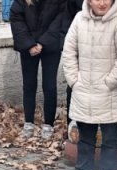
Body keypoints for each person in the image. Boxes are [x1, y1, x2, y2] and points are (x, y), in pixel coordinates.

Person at [63, 0, 117, 170]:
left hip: (110, 93)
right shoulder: (79, 19)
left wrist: (109, 82)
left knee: (110, 139)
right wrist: (74, 80)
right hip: (84, 91)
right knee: (86, 138)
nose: (102, 3)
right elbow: (69, 51)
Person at [11, 0, 73, 139]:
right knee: (29, 85)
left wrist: (42, 43)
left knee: (49, 86)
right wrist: (30, 44)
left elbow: (60, 20)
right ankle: (28, 123)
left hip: (51, 46)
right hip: (29, 47)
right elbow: (17, 23)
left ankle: (49, 124)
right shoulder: (21, 2)